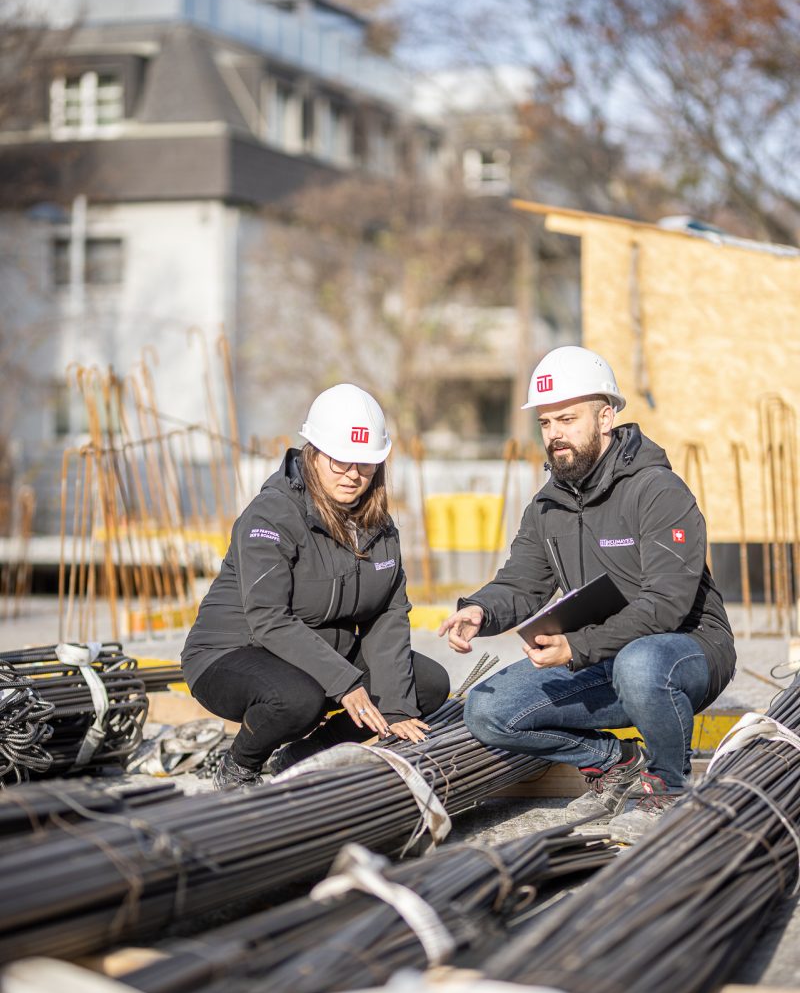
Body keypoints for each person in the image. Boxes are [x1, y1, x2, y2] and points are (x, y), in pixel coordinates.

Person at [439, 346, 736, 841]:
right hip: (603, 656)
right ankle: (615, 762)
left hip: (685, 653)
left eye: (568, 419)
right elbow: (521, 583)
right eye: (546, 422)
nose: (554, 433)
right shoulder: (547, 507)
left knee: (640, 663)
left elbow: (666, 605)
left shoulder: (657, 490)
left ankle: (666, 786)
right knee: (486, 707)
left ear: (606, 417)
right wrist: (479, 610)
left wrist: (576, 647)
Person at [182, 383, 449, 789]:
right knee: (297, 699)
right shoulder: (271, 516)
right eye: (339, 461)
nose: (353, 475)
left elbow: (388, 614)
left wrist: (396, 709)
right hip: (235, 653)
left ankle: (303, 757)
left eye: (365, 463)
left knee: (426, 684)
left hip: (318, 657)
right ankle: (240, 766)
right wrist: (345, 683)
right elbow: (268, 619)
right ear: (314, 453)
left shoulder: (379, 526)